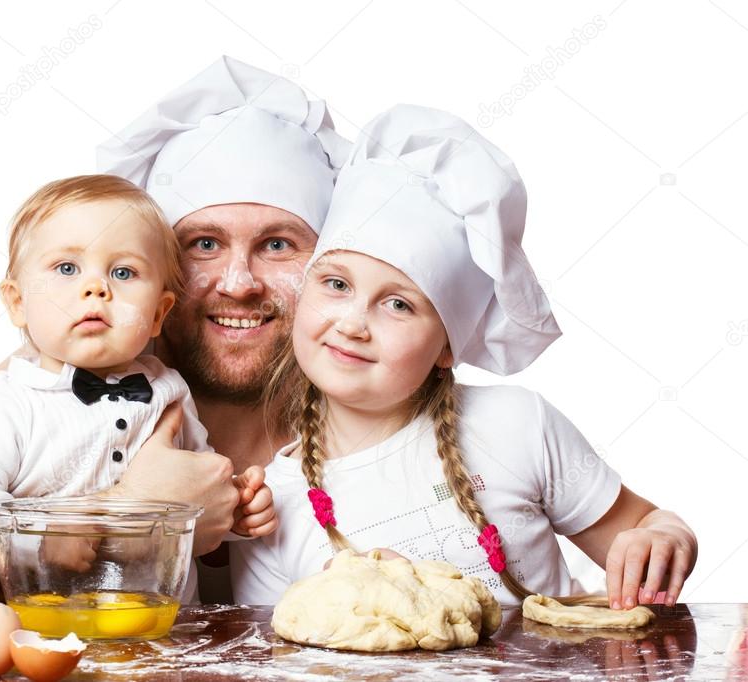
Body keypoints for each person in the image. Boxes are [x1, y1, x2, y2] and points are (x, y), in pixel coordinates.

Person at [0, 56, 348, 603]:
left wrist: (233, 512)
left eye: (278, 244)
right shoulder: (27, 388)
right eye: (204, 244)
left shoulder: (365, 403)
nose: (239, 283)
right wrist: (122, 517)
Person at [230, 104, 698, 610]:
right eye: (337, 284)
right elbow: (277, 656)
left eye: (399, 304)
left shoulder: (516, 424)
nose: (352, 323)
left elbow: (643, 528)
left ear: (448, 346)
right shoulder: (269, 504)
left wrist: (666, 537)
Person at [0, 175, 278, 602]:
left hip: (167, 633)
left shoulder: (169, 391)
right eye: (66, 268)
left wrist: (237, 508)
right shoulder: (9, 402)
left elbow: (200, 489)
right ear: (18, 302)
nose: (96, 287)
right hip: (51, 635)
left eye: (123, 272)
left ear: (160, 313)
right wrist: (40, 539)